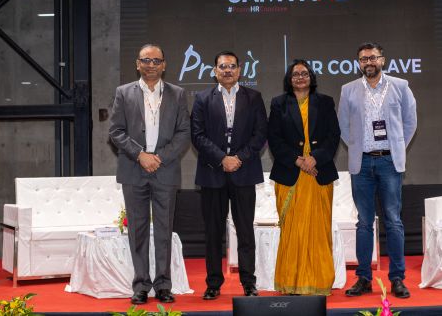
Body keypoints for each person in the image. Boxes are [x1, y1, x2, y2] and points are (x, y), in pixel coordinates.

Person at [109, 44, 190, 305]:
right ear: (138, 64)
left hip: (164, 170)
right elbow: (116, 131)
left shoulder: (178, 94)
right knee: (138, 229)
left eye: (156, 60)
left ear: (164, 65)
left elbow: (183, 133)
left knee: (165, 229)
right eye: (146, 60)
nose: (151, 65)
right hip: (134, 169)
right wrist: (140, 155)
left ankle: (164, 285)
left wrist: (159, 158)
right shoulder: (124, 93)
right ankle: (141, 285)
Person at [338, 42, 417, 299]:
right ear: (358, 63)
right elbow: (343, 126)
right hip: (361, 163)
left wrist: (396, 148)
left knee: (394, 221)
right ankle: (363, 277)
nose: (368, 62)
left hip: (389, 163)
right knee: (363, 223)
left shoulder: (400, 86)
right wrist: (359, 147)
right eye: (363, 59)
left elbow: (409, 122)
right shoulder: (348, 90)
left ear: (382, 60)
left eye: (372, 58)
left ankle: (397, 279)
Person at [191, 51, 268, 300]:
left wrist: (239, 158)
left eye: (232, 66)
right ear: (214, 70)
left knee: (245, 231)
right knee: (213, 232)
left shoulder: (253, 97)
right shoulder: (202, 98)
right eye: (222, 66)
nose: (227, 70)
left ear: (239, 70)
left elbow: (260, 134)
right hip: (213, 173)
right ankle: (213, 283)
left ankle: (249, 282)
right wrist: (222, 159)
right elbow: (197, 135)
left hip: (244, 173)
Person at [268, 59, 340, 295]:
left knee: (318, 232)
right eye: (295, 74)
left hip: (319, 173)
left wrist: (315, 158)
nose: (300, 77)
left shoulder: (325, 102)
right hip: (291, 174)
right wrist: (298, 160)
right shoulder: (279, 104)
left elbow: (333, 136)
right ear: (289, 79)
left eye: (305, 73)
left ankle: (318, 282)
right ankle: (291, 281)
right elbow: (274, 139)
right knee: (292, 231)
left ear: (312, 78)